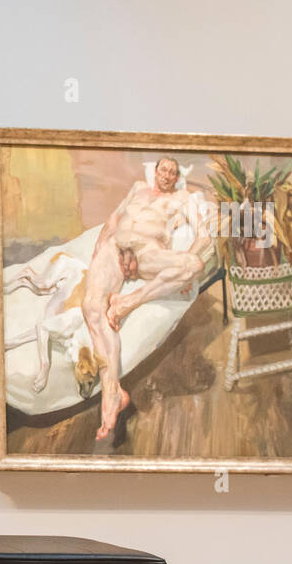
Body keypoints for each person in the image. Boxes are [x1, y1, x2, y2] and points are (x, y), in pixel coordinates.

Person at [81, 156, 214, 440]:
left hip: (147, 253)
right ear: (155, 172)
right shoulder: (137, 187)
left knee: (194, 266)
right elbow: (114, 218)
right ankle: (112, 394)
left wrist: (185, 261)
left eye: (172, 172)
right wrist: (99, 247)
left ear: (176, 177)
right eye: (162, 169)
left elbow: (205, 237)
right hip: (115, 250)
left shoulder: (183, 199)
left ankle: (129, 302)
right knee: (91, 308)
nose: (166, 174)